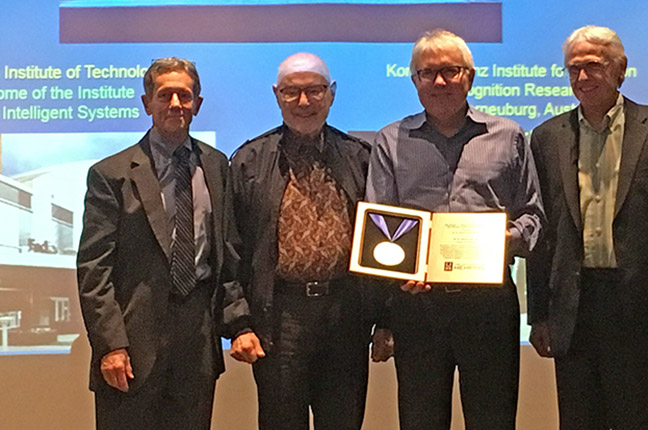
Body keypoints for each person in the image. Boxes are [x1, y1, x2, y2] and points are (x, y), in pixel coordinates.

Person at [527, 25, 648, 430]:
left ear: (620, 70)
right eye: (573, 69)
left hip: (639, 307)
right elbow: (543, 233)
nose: (582, 78)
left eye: (593, 66)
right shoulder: (545, 137)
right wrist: (538, 314)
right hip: (573, 309)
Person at [365, 29, 544, 429]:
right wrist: (397, 275)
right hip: (417, 306)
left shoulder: (509, 135)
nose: (440, 82)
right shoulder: (391, 140)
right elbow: (380, 224)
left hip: (489, 304)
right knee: (420, 420)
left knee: (493, 419)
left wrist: (507, 239)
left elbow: (534, 217)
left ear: (470, 77)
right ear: (414, 82)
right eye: (428, 73)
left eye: (450, 71)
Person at [223, 52, 384, 430]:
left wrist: (385, 319)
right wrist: (238, 323)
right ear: (277, 95)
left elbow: (383, 239)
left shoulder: (360, 157)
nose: (304, 102)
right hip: (279, 316)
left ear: (331, 94)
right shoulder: (248, 161)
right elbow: (231, 248)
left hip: (346, 313)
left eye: (314, 91)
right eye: (292, 93)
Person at [77, 57, 237, 429]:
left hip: (196, 341)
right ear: (147, 102)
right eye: (166, 95)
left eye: (185, 95)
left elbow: (225, 253)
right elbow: (93, 269)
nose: (176, 104)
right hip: (131, 344)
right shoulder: (111, 174)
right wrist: (110, 344)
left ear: (198, 103)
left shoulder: (216, 166)